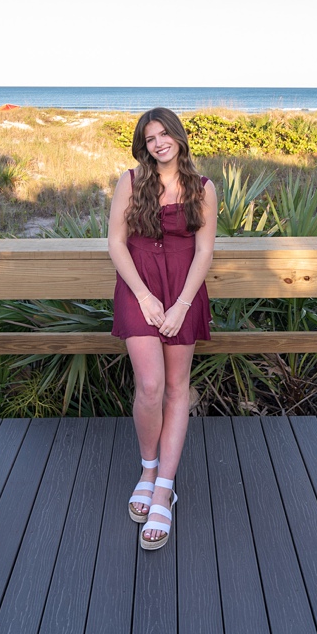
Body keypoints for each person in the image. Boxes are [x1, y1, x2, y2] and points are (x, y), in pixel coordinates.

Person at [108, 107, 217, 551]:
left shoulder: (203, 188)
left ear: (178, 137)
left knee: (177, 388)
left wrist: (182, 303)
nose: (159, 142)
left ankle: (163, 488)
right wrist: (146, 297)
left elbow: (205, 250)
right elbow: (116, 241)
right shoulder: (130, 183)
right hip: (139, 289)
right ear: (144, 145)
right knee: (150, 385)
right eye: (150, 137)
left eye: (165, 133)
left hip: (184, 293)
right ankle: (148, 466)